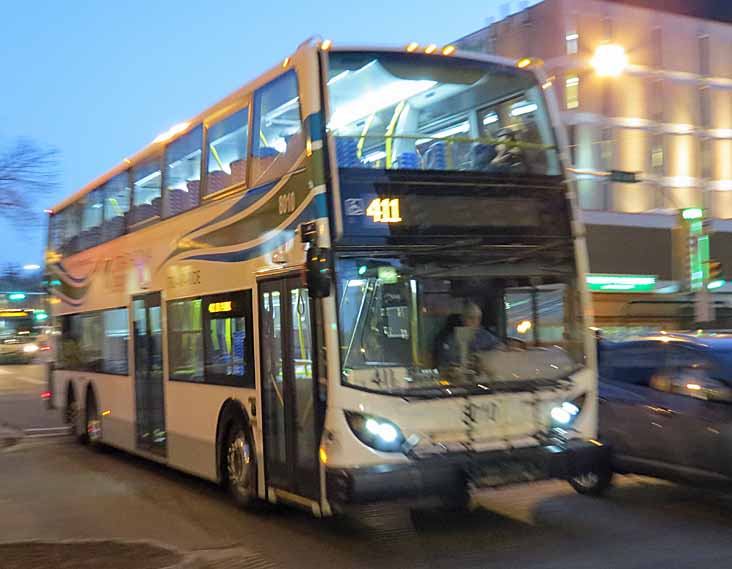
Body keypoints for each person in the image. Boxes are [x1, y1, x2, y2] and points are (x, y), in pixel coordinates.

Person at [436, 302, 500, 369]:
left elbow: (498, 351)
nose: (475, 321)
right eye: (471, 318)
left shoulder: (487, 337)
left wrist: (482, 356)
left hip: (482, 375)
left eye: (478, 318)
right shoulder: (450, 339)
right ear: (462, 319)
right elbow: (445, 362)